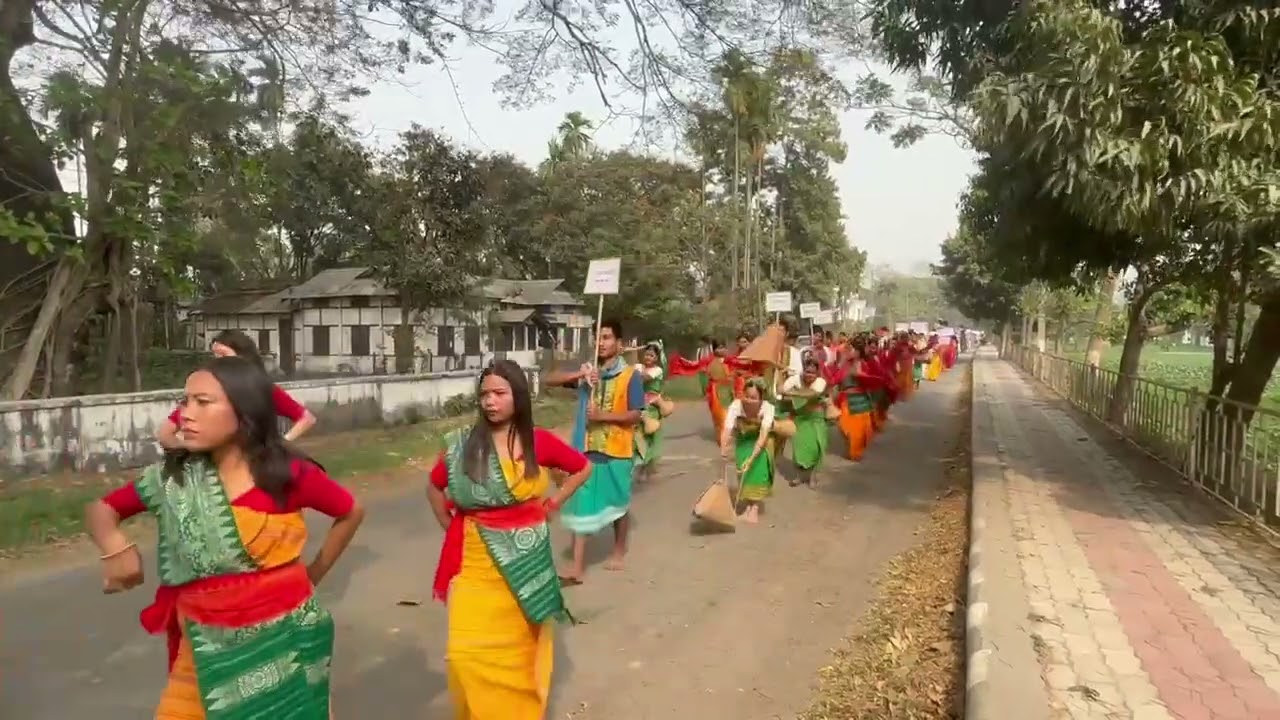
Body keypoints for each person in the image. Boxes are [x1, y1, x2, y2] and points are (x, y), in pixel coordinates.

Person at [85, 356, 365, 719]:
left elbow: (350, 511)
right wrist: (115, 547)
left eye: (203, 402)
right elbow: (103, 510)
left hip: (286, 640)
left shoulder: (288, 473)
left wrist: (314, 573)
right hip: (204, 647)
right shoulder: (173, 479)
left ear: (244, 410)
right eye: (184, 401)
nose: (185, 413)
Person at [427, 359, 592, 720]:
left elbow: (582, 467)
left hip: (524, 566)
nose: (490, 401)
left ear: (517, 397)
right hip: (474, 566)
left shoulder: (537, 441)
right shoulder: (461, 446)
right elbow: (434, 485)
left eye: (499, 393)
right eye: (484, 394)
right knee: (463, 655)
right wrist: (452, 528)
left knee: (516, 656)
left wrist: (553, 502)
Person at [545, 318, 644, 581]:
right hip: (585, 451)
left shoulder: (630, 375)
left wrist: (602, 416)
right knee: (581, 505)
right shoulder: (588, 374)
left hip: (617, 451)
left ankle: (619, 550)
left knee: (618, 505)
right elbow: (548, 381)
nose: (602, 342)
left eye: (608, 337)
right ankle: (577, 567)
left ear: (620, 344)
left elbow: (636, 415)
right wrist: (579, 375)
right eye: (598, 337)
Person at [156, 330, 316, 449]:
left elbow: (306, 418)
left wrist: (282, 444)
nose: (217, 362)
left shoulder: (263, 389)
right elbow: (165, 434)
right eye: (214, 356)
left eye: (223, 355)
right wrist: (193, 452)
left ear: (243, 356)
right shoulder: (202, 394)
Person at [721, 377, 776, 524]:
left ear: (761, 398)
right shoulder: (736, 406)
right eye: (746, 396)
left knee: (756, 474)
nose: (749, 400)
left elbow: (763, 435)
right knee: (744, 475)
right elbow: (727, 429)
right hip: (743, 443)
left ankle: (754, 510)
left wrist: (752, 458)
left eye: (754, 398)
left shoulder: (768, 408)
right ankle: (748, 509)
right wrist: (724, 448)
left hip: (760, 444)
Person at [780, 358, 829, 487]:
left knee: (817, 449)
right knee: (799, 449)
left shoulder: (820, 382)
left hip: (816, 420)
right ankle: (798, 477)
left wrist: (791, 392)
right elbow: (781, 390)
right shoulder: (795, 380)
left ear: (817, 373)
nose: (809, 375)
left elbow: (811, 395)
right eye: (807, 372)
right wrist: (780, 375)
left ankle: (812, 477)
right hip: (800, 419)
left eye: (812, 373)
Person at [633, 341, 669, 481]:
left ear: (656, 358)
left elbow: (644, 378)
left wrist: (635, 372)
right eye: (646, 354)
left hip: (653, 407)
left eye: (651, 355)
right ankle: (641, 464)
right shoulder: (638, 367)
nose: (648, 358)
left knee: (653, 437)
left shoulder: (657, 370)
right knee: (639, 436)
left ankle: (647, 466)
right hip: (639, 405)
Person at [836, 341, 877, 461]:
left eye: (852, 349)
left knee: (859, 429)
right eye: (848, 349)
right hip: (844, 398)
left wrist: (859, 374)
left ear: (859, 353)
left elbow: (868, 381)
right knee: (842, 426)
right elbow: (836, 378)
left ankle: (854, 450)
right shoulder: (843, 363)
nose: (849, 352)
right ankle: (850, 446)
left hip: (859, 399)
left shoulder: (862, 364)